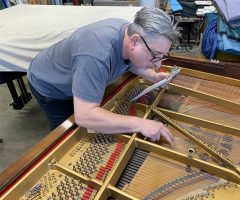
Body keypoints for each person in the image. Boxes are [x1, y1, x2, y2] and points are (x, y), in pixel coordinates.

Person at [27, 7, 179, 145]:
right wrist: (140, 124)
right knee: (64, 138)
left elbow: (128, 59)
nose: (158, 65)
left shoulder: (128, 32)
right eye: (155, 55)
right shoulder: (96, 53)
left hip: (77, 69)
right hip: (50, 85)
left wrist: (152, 76)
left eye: (162, 56)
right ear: (134, 41)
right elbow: (84, 116)